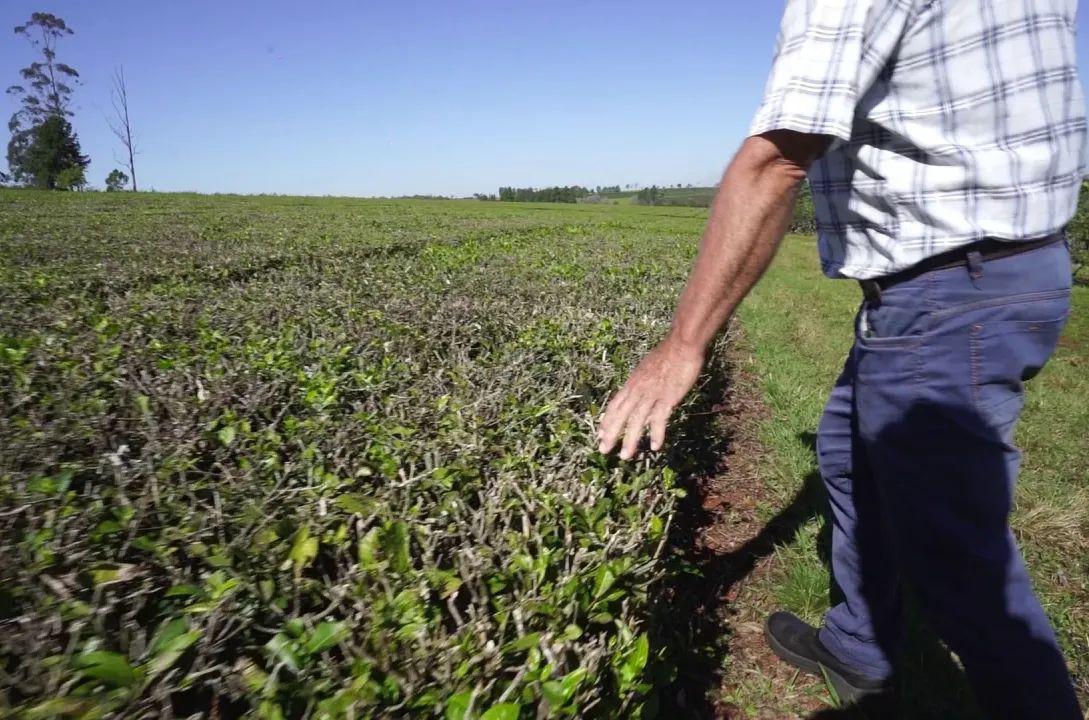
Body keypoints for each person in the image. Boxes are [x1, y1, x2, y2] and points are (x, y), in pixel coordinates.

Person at [595, 0, 1086, 716]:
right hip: (1001, 272)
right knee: (846, 450)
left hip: (948, 291)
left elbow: (775, 159)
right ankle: (858, 647)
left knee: (958, 563)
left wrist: (681, 348)